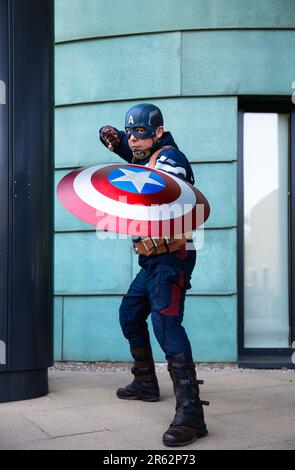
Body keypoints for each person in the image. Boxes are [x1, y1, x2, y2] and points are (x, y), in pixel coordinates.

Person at [99, 103, 209, 447]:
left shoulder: (170, 159)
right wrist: (119, 145)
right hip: (151, 261)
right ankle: (146, 382)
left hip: (172, 257)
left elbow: (159, 185)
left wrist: (123, 161)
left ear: (158, 132)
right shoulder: (148, 155)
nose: (133, 138)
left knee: (166, 324)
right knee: (130, 314)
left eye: (141, 133)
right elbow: (140, 166)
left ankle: (192, 415)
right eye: (129, 132)